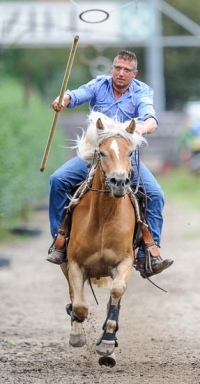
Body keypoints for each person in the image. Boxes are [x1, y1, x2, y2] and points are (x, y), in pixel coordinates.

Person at [47, 50, 173, 278]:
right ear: (112, 69)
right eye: (117, 68)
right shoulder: (98, 85)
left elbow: (151, 120)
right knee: (57, 179)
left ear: (134, 73)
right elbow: (76, 95)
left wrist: (138, 129)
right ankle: (60, 240)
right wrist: (62, 100)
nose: (121, 73)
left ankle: (149, 254)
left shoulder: (143, 91)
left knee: (156, 194)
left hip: (126, 158)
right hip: (95, 155)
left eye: (126, 70)